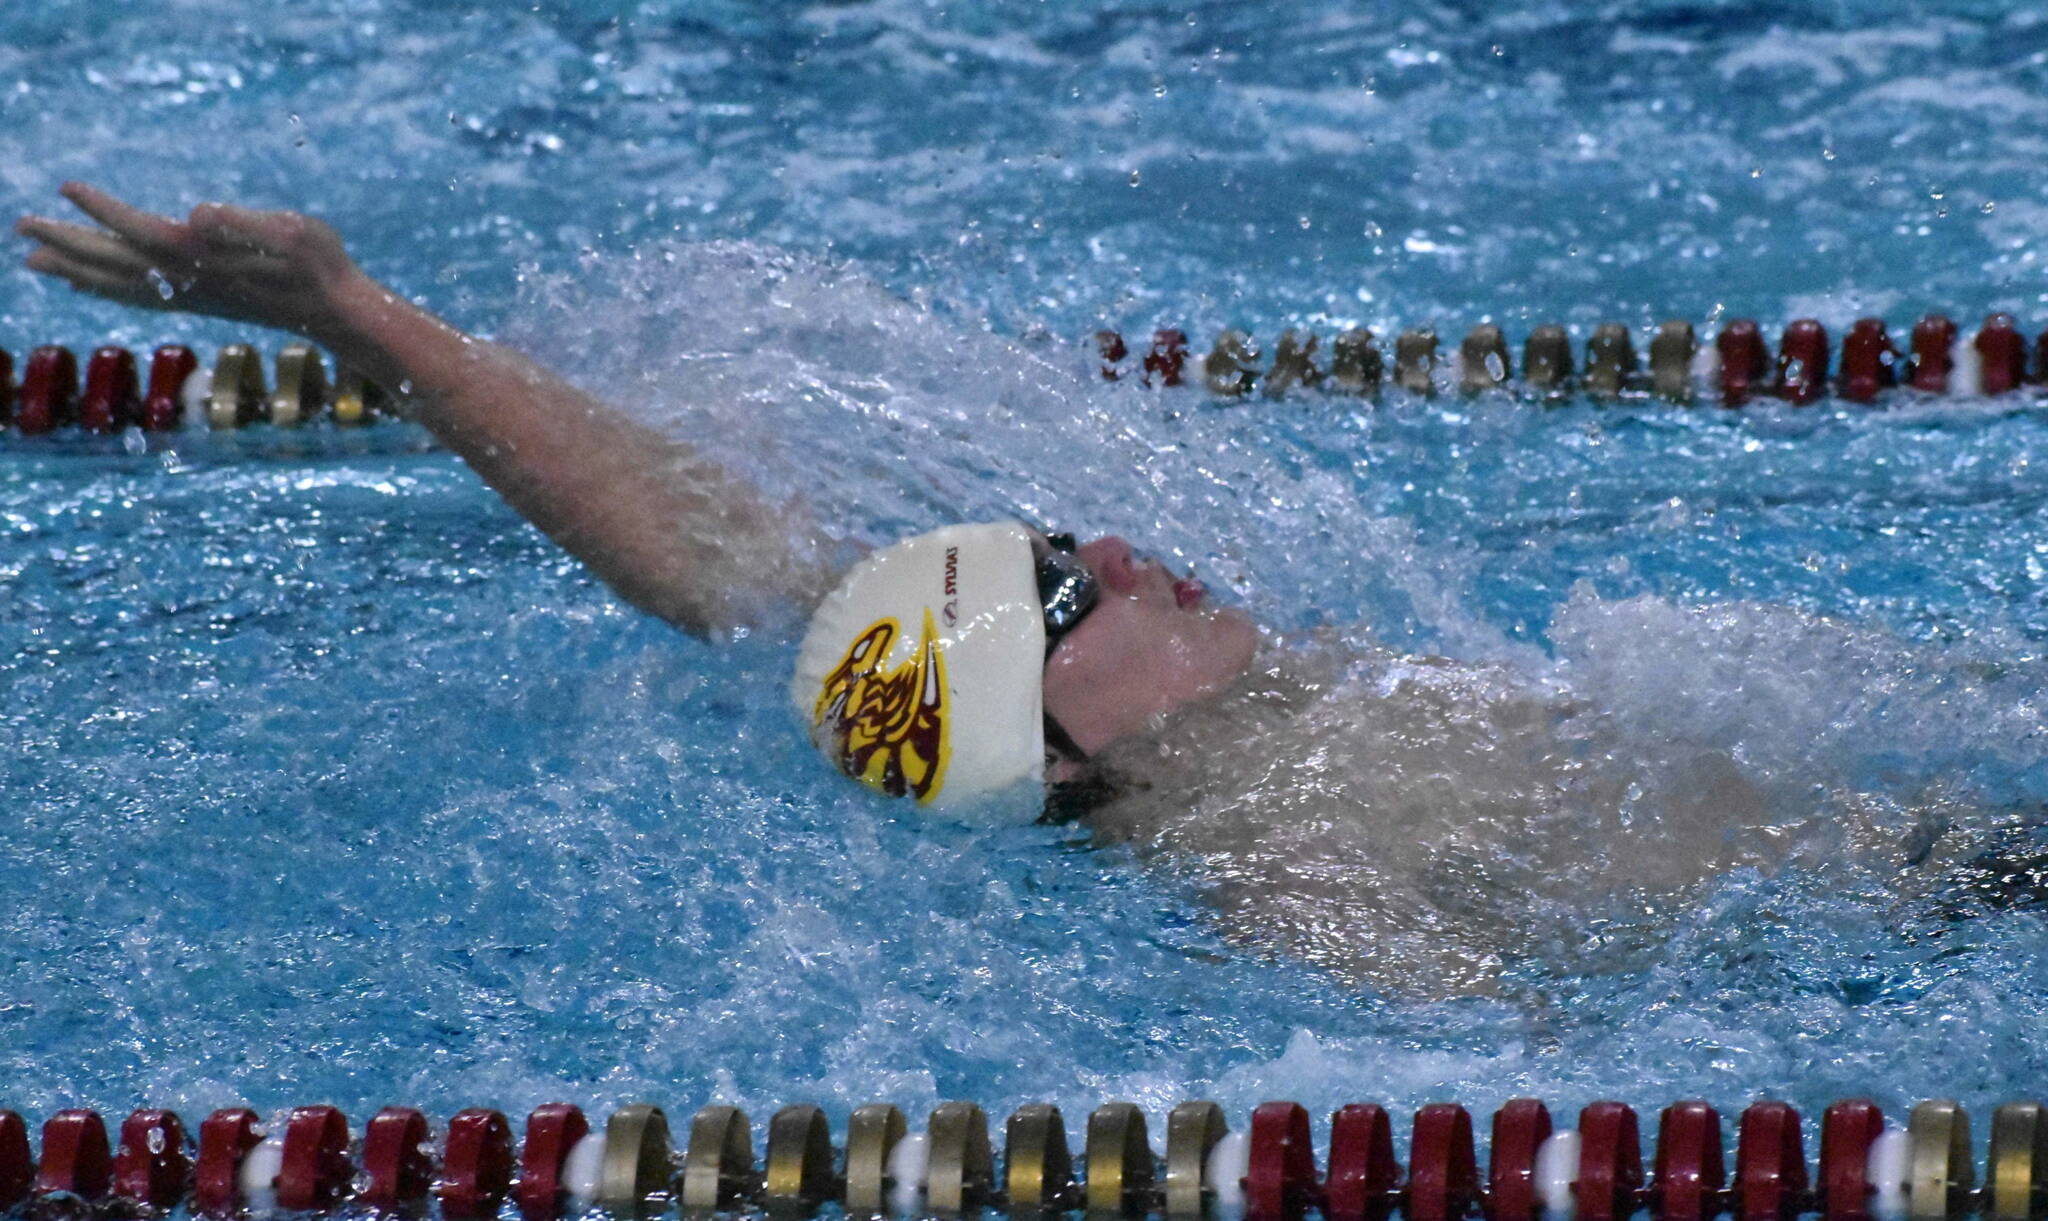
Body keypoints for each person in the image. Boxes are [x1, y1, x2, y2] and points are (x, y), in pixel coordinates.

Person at [14, 184, 1261, 814]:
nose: (1108, 547)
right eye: (1062, 587)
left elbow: (738, 571)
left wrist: (344, 310)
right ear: (1042, 753)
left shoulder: (1231, 753)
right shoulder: (1284, 852)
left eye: (1055, 555)